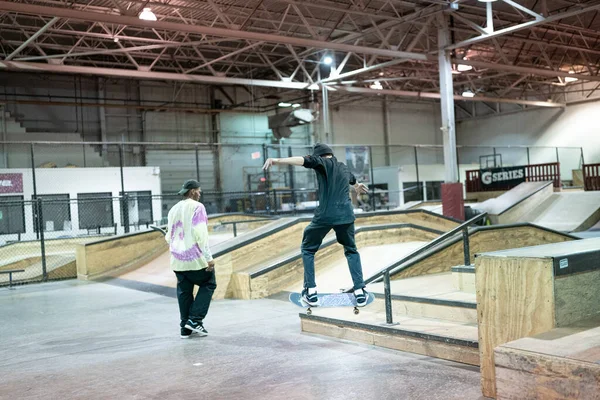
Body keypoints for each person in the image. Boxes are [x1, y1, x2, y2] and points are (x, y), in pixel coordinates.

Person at [262, 143, 370, 307]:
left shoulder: (320, 162)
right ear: (331, 154)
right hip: (347, 215)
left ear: (319, 156)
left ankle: (311, 292)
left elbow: (301, 160)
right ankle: (360, 291)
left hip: (326, 215)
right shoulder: (343, 167)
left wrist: (277, 160)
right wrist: (357, 186)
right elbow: (353, 180)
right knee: (351, 250)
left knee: (308, 248)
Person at [166, 179, 216, 338]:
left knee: (184, 291)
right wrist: (209, 258)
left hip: (177, 259)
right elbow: (200, 234)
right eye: (199, 191)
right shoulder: (197, 207)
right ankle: (195, 320)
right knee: (209, 283)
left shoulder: (173, 209)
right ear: (193, 191)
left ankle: (185, 328)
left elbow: (169, 236)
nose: (200, 194)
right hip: (194, 259)